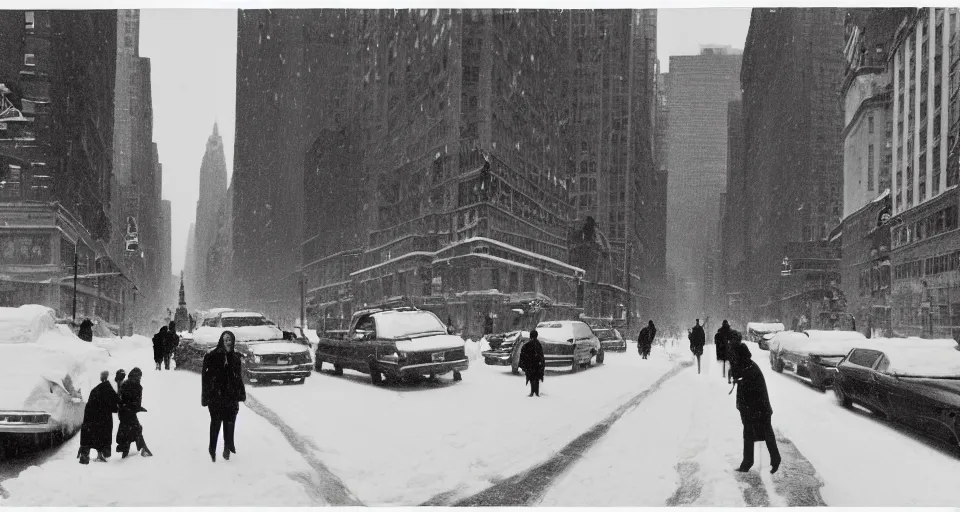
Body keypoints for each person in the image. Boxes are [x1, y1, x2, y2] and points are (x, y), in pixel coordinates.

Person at [730, 343, 781, 474]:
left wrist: (738, 379)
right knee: (753, 434)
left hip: (758, 409)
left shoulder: (750, 369)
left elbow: (747, 385)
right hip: (753, 409)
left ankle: (772, 460)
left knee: (761, 434)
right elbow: (739, 377)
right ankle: (749, 463)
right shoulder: (748, 365)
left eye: (734, 356)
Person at [202, 330, 246, 462]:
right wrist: (206, 397)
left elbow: (238, 378)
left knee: (230, 422)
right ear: (222, 340)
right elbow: (205, 378)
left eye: (230, 339)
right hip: (216, 396)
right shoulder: (212, 356)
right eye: (226, 339)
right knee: (216, 423)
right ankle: (212, 448)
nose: (228, 342)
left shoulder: (235, 357)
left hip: (230, 396)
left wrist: (240, 394)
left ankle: (227, 447)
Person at [78, 371, 120, 464]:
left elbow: (89, 406)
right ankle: (100, 455)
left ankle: (95, 455)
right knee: (103, 436)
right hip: (104, 418)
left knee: (95, 435)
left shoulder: (95, 389)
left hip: (93, 417)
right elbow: (114, 407)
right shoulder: (109, 389)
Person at [116, 367, 152, 458]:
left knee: (128, 431)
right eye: (139, 376)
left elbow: (121, 398)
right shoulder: (137, 386)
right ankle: (143, 449)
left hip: (123, 412)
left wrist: (124, 406)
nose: (140, 378)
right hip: (129, 413)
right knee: (136, 430)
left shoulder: (125, 384)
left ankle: (126, 451)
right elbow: (135, 403)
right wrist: (138, 408)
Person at [518, 330, 545, 397]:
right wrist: (542, 365)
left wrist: (523, 365)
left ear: (530, 336)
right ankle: (536, 392)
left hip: (530, 366)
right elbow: (541, 357)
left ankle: (532, 392)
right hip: (537, 366)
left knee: (531, 379)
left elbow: (522, 356)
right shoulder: (538, 345)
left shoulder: (526, 345)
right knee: (536, 379)